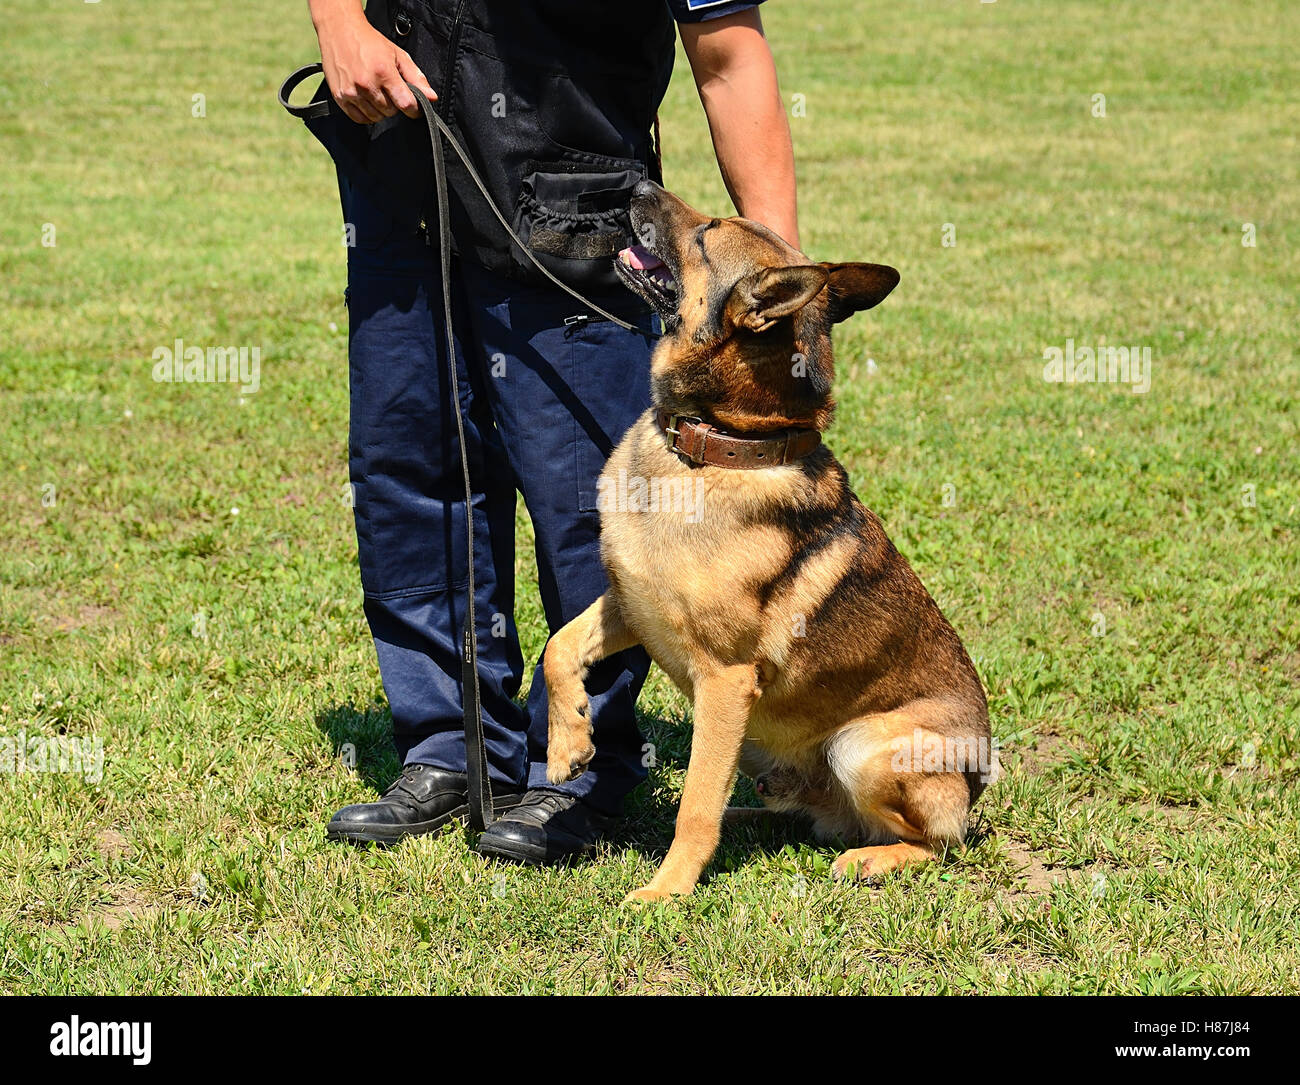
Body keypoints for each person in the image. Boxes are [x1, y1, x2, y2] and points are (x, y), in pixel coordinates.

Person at [309, 0, 799, 864]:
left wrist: (782, 276)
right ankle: (450, 749)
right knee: (409, 468)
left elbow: (726, 58)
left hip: (570, 206)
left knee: (590, 505)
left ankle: (581, 770)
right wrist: (339, 19)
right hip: (400, 170)